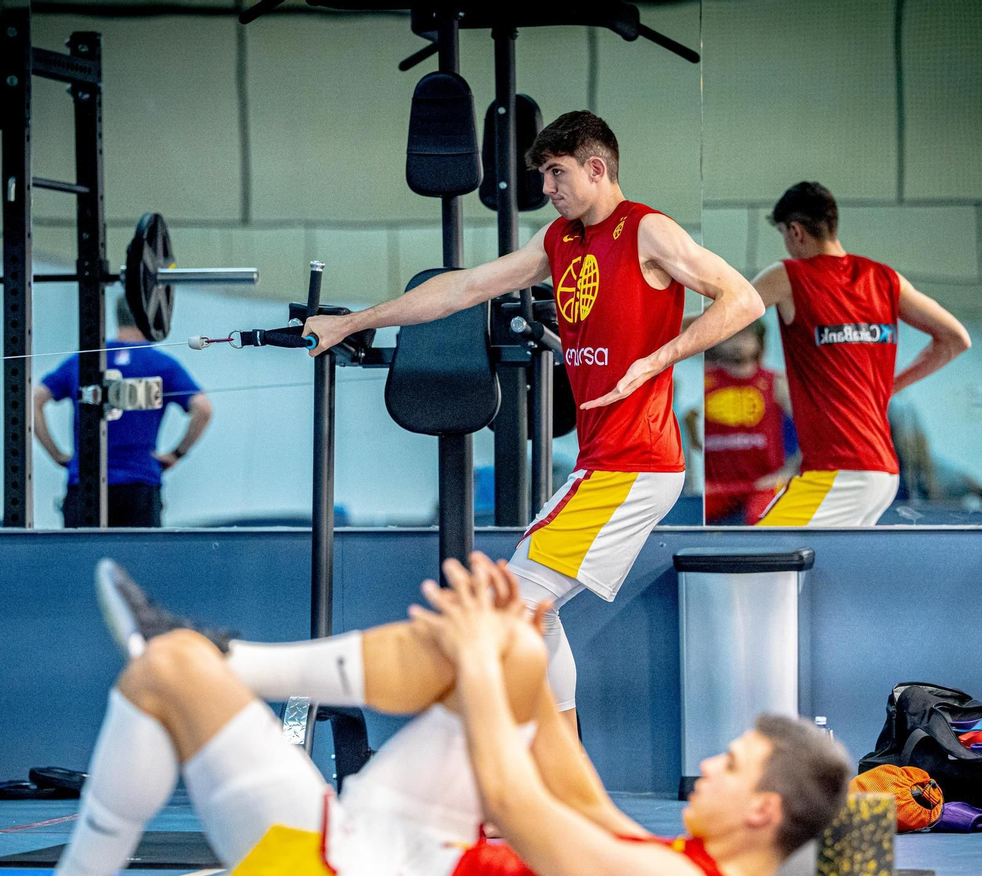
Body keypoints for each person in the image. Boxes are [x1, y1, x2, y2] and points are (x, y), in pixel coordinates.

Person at [0, 553, 850, 876]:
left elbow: (524, 806)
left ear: (763, 808)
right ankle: (225, 653)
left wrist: (485, 663)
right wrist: (511, 645)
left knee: (161, 677)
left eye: (727, 765)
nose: (708, 768)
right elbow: (573, 785)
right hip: (420, 857)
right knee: (510, 660)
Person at [304, 111, 763, 734]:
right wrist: (353, 322)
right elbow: (460, 290)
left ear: (596, 169)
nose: (547, 188)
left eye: (556, 173)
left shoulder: (648, 230)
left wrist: (660, 357)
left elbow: (744, 298)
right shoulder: (558, 241)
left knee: (512, 605)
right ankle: (564, 773)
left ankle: (544, 776)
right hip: (604, 464)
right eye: (545, 175)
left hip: (638, 462)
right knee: (530, 611)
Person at [750, 181, 972, 526]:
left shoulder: (790, 275)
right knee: (812, 572)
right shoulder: (885, 279)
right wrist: (892, 386)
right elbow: (955, 338)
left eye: (782, 233)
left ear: (795, 231)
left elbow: (722, 320)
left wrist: (662, 335)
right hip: (880, 470)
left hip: (841, 471)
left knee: (755, 559)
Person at [34, 296, 213, 528]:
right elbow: (203, 409)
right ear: (151, 317)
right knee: (138, 564)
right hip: (139, 486)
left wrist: (56, 454)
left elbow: (34, 400)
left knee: (84, 562)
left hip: (84, 485)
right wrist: (176, 454)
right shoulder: (161, 364)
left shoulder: (83, 360)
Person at [680, 319, 798, 525]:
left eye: (745, 335)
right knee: (685, 519)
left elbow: (814, 434)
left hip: (764, 483)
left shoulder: (776, 383)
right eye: (732, 335)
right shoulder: (703, 379)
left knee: (763, 520)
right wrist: (694, 480)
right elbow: (687, 429)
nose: (738, 343)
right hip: (715, 488)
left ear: (758, 340)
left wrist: (788, 472)